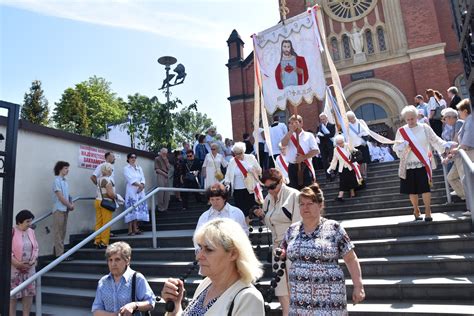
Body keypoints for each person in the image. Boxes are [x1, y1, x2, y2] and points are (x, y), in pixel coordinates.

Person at [278, 184, 365, 315]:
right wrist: (281, 253)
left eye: (310, 203)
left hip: (329, 298)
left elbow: (351, 259)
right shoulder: (292, 230)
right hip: (300, 299)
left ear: (320, 205)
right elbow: (283, 249)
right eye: (302, 204)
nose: (305, 207)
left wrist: (358, 286)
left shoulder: (334, 228)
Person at [161, 218, 264, 315]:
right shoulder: (206, 284)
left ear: (233, 254)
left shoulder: (248, 298)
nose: (198, 256)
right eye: (200, 248)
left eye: (209, 249)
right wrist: (175, 309)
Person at [253, 169, 301, 316]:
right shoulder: (267, 199)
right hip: (276, 247)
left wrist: (288, 247)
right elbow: (271, 223)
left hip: (293, 245)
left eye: (272, 187)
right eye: (267, 187)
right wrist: (263, 216)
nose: (270, 190)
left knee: (295, 285)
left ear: (281, 182)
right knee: (280, 288)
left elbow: (298, 226)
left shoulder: (294, 195)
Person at [393, 105, 453, 222]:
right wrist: (402, 146)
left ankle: (427, 210)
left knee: (425, 189)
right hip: (408, 164)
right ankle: (415, 209)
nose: (410, 121)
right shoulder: (401, 131)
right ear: (405, 119)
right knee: (412, 190)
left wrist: (445, 145)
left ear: (417, 117)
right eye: (408, 119)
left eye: (412, 118)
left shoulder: (425, 128)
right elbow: (396, 147)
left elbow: (435, 140)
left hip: (423, 163)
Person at [92, 242, 155, 315]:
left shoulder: (137, 278)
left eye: (117, 259)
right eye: (110, 260)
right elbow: (96, 310)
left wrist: (134, 305)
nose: (113, 264)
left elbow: (151, 302)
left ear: (127, 261)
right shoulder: (103, 281)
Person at [10, 210, 39, 316]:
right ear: (19, 222)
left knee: (28, 295)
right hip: (14, 269)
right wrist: (17, 263)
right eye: (27, 221)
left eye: (30, 221)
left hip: (29, 269)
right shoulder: (11, 231)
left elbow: (35, 248)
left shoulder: (31, 231)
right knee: (12, 296)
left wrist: (33, 260)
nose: (30, 224)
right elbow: (7, 250)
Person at [224, 142, 262, 222]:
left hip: (250, 189)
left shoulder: (251, 158)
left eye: (240, 153)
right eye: (236, 154)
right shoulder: (232, 162)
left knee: (253, 209)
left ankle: (251, 223)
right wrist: (227, 184)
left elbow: (259, 171)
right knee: (241, 210)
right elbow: (228, 174)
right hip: (237, 190)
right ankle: (246, 226)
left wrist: (252, 169)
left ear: (243, 151)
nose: (238, 155)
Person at [281, 115, 319, 190]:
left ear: (301, 123)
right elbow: (283, 144)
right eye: (290, 123)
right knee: (295, 192)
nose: (292, 125)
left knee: (308, 191)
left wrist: (303, 157)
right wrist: (291, 131)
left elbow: (316, 151)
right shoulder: (288, 136)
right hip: (292, 167)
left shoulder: (309, 135)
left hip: (305, 166)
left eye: (295, 123)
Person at [446, 99, 474, 202]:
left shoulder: (470, 121)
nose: (458, 113)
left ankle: (471, 205)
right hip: (464, 154)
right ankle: (469, 202)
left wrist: (455, 150)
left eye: (459, 111)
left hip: (469, 154)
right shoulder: (467, 121)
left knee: (467, 181)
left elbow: (465, 142)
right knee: (464, 180)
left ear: (465, 111)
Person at [328, 135, 361, 201]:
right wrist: (331, 168)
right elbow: (334, 160)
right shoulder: (336, 150)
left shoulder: (348, 145)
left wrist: (356, 152)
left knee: (352, 180)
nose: (341, 144)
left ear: (343, 141)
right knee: (342, 181)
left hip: (350, 166)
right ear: (336, 143)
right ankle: (340, 196)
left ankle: (352, 193)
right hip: (342, 167)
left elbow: (355, 151)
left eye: (341, 142)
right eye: (339, 143)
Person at [94, 163, 120, 249]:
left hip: (98, 201)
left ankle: (97, 240)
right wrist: (117, 196)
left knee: (99, 222)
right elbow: (110, 194)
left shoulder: (99, 179)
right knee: (106, 223)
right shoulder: (107, 180)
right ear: (108, 170)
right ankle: (104, 242)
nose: (112, 171)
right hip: (106, 203)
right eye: (111, 170)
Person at [52, 161, 74, 259]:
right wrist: (69, 205)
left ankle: (60, 252)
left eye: (68, 168)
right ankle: (59, 255)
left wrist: (71, 203)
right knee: (58, 232)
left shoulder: (65, 181)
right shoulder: (57, 181)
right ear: (60, 169)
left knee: (63, 231)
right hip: (59, 209)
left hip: (65, 209)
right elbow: (60, 196)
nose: (67, 170)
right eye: (65, 168)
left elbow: (67, 195)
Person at [124, 153, 148, 235]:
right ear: (128, 159)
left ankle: (136, 228)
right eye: (131, 157)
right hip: (131, 190)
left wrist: (142, 185)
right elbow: (130, 179)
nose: (133, 159)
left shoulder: (139, 168)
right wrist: (140, 185)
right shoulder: (126, 168)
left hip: (140, 191)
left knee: (138, 209)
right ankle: (130, 230)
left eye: (135, 157)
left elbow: (143, 178)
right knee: (131, 208)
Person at [316, 113, 336, 180]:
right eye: (321, 119)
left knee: (332, 160)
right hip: (322, 147)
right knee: (325, 162)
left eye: (323, 119)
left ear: (326, 118)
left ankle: (334, 174)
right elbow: (318, 135)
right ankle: (328, 176)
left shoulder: (332, 125)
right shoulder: (319, 127)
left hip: (330, 146)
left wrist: (323, 135)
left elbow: (332, 134)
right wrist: (318, 136)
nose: (322, 120)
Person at [155, 148, 171, 212]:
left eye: (165, 153)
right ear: (161, 152)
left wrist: (166, 160)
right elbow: (157, 169)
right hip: (161, 175)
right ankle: (160, 207)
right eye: (163, 153)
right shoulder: (157, 159)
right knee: (161, 192)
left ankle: (166, 207)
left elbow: (169, 167)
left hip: (167, 176)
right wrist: (164, 174)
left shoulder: (166, 158)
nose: (164, 154)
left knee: (167, 192)